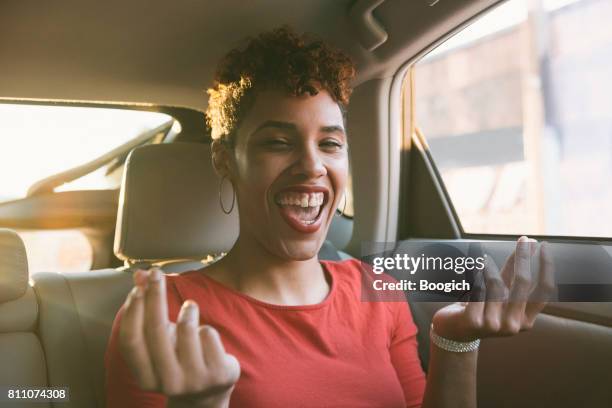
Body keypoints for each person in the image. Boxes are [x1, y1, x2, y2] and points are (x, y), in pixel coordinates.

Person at [105, 27, 554, 408]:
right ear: (226, 160)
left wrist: (454, 340)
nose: (312, 166)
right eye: (278, 142)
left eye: (330, 144)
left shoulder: (378, 291)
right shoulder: (164, 314)